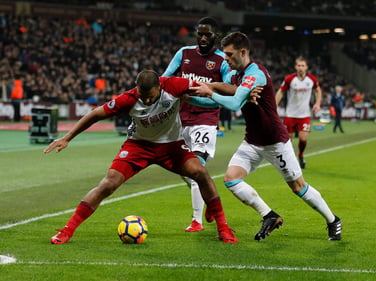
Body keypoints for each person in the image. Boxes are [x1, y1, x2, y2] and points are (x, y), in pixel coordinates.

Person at [44, 70, 238, 244]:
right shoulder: (129, 98)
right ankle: (67, 230)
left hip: (172, 145)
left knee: (200, 172)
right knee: (108, 184)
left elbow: (211, 86)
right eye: (142, 96)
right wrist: (67, 137)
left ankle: (223, 228)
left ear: (159, 87)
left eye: (150, 97)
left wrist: (240, 92)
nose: (145, 101)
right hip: (138, 146)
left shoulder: (174, 85)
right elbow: (96, 114)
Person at [189, 32, 342, 241]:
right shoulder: (236, 76)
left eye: (229, 54)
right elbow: (218, 100)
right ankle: (269, 215)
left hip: (275, 142)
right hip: (252, 141)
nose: (225, 59)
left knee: (298, 187)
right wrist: (188, 98)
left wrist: (210, 91)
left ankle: (333, 220)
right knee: (231, 179)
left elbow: (233, 104)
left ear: (243, 52)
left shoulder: (256, 74)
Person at [162, 17, 233, 232]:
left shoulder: (222, 61)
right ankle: (209, 197)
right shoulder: (183, 53)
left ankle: (197, 221)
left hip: (206, 120)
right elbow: (165, 78)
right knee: (183, 170)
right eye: (200, 33)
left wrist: (190, 98)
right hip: (181, 120)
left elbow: (225, 92)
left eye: (207, 34)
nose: (203, 38)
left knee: (196, 168)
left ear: (215, 36)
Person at [275, 56, 322, 169]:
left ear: (306, 67)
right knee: (287, 140)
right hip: (290, 114)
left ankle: (300, 155)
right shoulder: (290, 79)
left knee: (303, 139)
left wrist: (318, 103)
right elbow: (281, 92)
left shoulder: (312, 80)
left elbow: (318, 90)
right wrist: (274, 105)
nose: (301, 68)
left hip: (304, 115)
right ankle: (289, 160)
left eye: (303, 66)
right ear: (296, 67)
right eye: (299, 65)